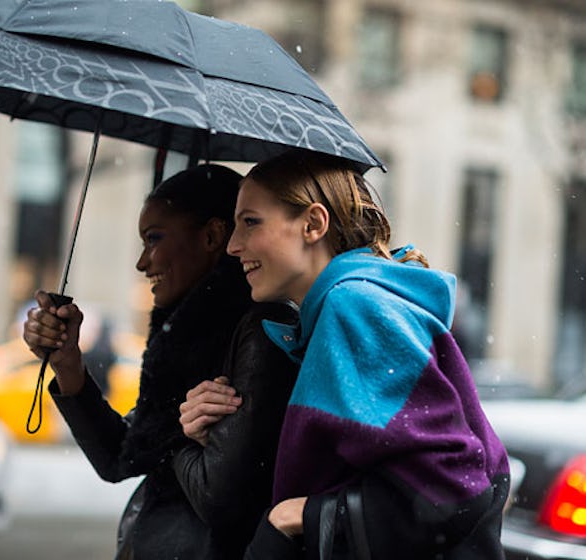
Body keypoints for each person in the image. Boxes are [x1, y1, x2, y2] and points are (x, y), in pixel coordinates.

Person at [183, 149, 510, 559]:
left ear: (313, 223)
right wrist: (219, 435)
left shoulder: (354, 307)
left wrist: (296, 516)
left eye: (250, 222)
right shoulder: (337, 312)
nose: (233, 245)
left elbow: (451, 486)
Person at [22, 164, 298, 560]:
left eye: (154, 239)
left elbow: (224, 501)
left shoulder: (258, 332)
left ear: (212, 236)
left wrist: (183, 436)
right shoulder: (182, 339)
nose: (142, 263)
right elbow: (121, 455)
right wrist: (68, 363)